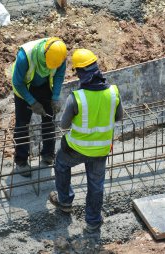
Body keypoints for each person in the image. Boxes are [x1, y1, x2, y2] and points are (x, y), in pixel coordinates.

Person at [48, 49, 123, 233]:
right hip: (101, 150)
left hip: (76, 149)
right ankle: (93, 222)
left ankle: (65, 201)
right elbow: (118, 117)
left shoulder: (77, 98)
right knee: (96, 185)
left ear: (80, 73)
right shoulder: (113, 92)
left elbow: (64, 126)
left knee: (61, 164)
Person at [11, 37, 67, 177]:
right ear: (44, 55)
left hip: (43, 86)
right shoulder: (25, 56)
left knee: (49, 119)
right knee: (22, 124)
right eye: (47, 65)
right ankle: (21, 161)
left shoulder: (60, 55)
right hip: (24, 88)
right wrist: (32, 102)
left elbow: (59, 75)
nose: (49, 68)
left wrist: (55, 97)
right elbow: (17, 82)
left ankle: (48, 154)